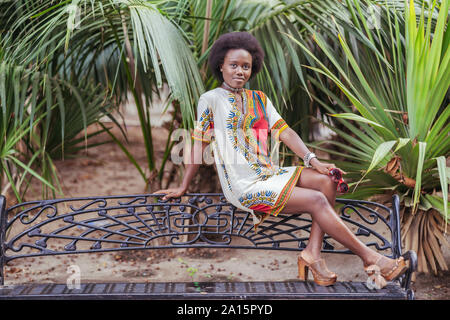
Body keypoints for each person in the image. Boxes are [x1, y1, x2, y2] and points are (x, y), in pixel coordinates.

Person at [155, 31, 407, 287]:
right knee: (317, 200)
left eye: (246, 67)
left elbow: (284, 131)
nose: (240, 71)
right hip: (244, 186)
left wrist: (313, 161)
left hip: (269, 174)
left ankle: (313, 254)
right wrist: (184, 185)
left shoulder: (259, 99)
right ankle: (370, 257)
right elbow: (199, 143)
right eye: (233, 65)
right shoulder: (210, 100)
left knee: (327, 181)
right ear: (221, 65)